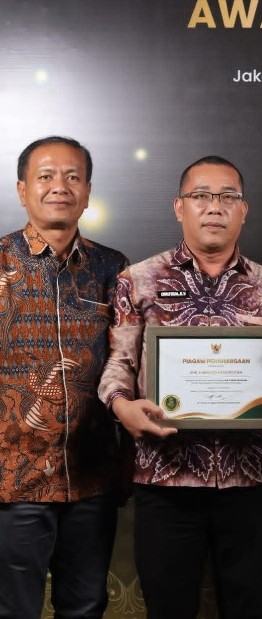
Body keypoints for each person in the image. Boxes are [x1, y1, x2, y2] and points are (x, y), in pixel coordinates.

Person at [98, 155, 262, 619]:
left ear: (243, 210)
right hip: (165, 479)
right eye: (201, 195)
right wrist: (122, 407)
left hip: (250, 480)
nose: (214, 207)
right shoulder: (137, 280)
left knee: (251, 609)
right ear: (179, 207)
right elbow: (118, 364)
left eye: (228, 197)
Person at [0, 136, 129, 619]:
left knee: (85, 606)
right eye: (46, 176)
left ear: (88, 192)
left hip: (91, 474)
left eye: (73, 177)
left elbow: (129, 362)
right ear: (22, 190)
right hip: (13, 479)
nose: (60, 186)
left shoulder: (112, 267)